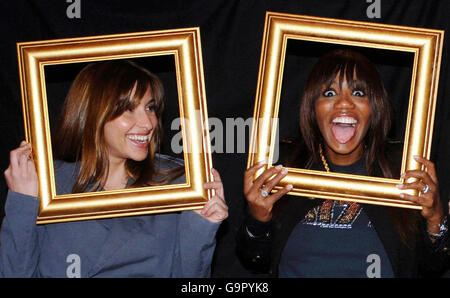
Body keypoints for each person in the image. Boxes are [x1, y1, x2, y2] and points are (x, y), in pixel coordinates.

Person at [1, 60, 228, 277]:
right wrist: (22, 203)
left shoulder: (177, 183)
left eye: (150, 108)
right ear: (92, 113)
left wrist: (202, 226)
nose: (148, 123)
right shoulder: (48, 184)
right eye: (128, 109)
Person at [237, 49, 449, 277]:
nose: (344, 104)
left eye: (358, 92)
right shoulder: (285, 168)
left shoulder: (403, 172)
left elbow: (433, 265)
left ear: (374, 107)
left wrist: (437, 219)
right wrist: (257, 220)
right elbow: (255, 260)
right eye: (329, 93)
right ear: (312, 108)